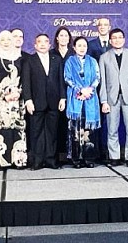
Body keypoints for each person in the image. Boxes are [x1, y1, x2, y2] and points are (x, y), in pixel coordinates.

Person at [98, 28, 128, 167]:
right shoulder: (104, 57)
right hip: (112, 98)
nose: (117, 40)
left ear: (124, 39)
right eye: (114, 38)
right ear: (110, 41)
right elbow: (103, 81)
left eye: (120, 37)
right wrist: (103, 101)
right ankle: (114, 157)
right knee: (112, 129)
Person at [22, 34, 66, 170]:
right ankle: (37, 161)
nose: (42, 44)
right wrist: (28, 100)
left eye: (45, 42)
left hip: (54, 102)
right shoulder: (29, 60)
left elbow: (61, 81)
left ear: (49, 45)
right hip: (36, 102)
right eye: (39, 42)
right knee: (36, 132)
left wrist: (62, 98)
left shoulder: (56, 59)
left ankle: (51, 160)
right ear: (35, 45)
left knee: (52, 132)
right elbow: (26, 82)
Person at [0, 30, 27, 169]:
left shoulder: (20, 58)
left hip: (17, 100)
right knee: (1, 130)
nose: (5, 42)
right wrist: (4, 93)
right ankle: (1, 160)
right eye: (3, 40)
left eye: (8, 40)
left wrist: (18, 92)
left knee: (16, 129)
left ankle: (18, 160)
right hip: (0, 102)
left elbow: (24, 79)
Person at [63, 37, 101, 168]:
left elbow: (97, 78)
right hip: (76, 98)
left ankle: (89, 158)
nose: (82, 48)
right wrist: (80, 90)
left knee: (89, 130)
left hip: (90, 98)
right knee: (75, 130)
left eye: (84, 45)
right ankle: (76, 159)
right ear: (74, 47)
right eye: (79, 45)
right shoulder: (70, 61)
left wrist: (89, 90)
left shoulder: (93, 61)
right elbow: (67, 78)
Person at [52, 26, 74, 164]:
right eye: (61, 35)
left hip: (72, 94)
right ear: (57, 38)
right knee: (56, 125)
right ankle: (57, 155)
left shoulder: (74, 53)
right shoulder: (51, 53)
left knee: (70, 124)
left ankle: (71, 154)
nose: (64, 38)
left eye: (66, 35)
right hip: (54, 94)